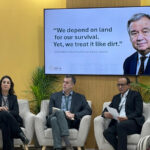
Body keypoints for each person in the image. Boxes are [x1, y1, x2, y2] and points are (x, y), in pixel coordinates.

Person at [46, 75, 92, 150]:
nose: (64, 84)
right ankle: (67, 142)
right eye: (63, 82)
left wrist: (74, 115)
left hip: (69, 121)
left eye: (67, 83)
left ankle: (58, 148)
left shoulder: (80, 97)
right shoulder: (54, 96)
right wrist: (64, 113)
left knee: (54, 120)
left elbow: (88, 110)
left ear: (72, 85)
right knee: (58, 113)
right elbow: (51, 111)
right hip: (52, 118)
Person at [102, 76, 145, 150]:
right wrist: (104, 114)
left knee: (121, 125)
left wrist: (127, 117)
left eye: (122, 85)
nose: (120, 87)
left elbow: (138, 112)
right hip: (119, 122)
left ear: (128, 85)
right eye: (118, 85)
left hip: (132, 122)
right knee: (107, 132)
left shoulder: (135, 95)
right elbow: (107, 109)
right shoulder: (116, 97)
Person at [0, 75, 29, 150]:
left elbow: (16, 112)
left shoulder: (13, 97)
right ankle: (20, 134)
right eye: (4, 82)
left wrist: (7, 112)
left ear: (10, 85)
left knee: (5, 124)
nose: (6, 84)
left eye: (8, 83)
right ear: (1, 84)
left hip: (8, 121)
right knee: (3, 113)